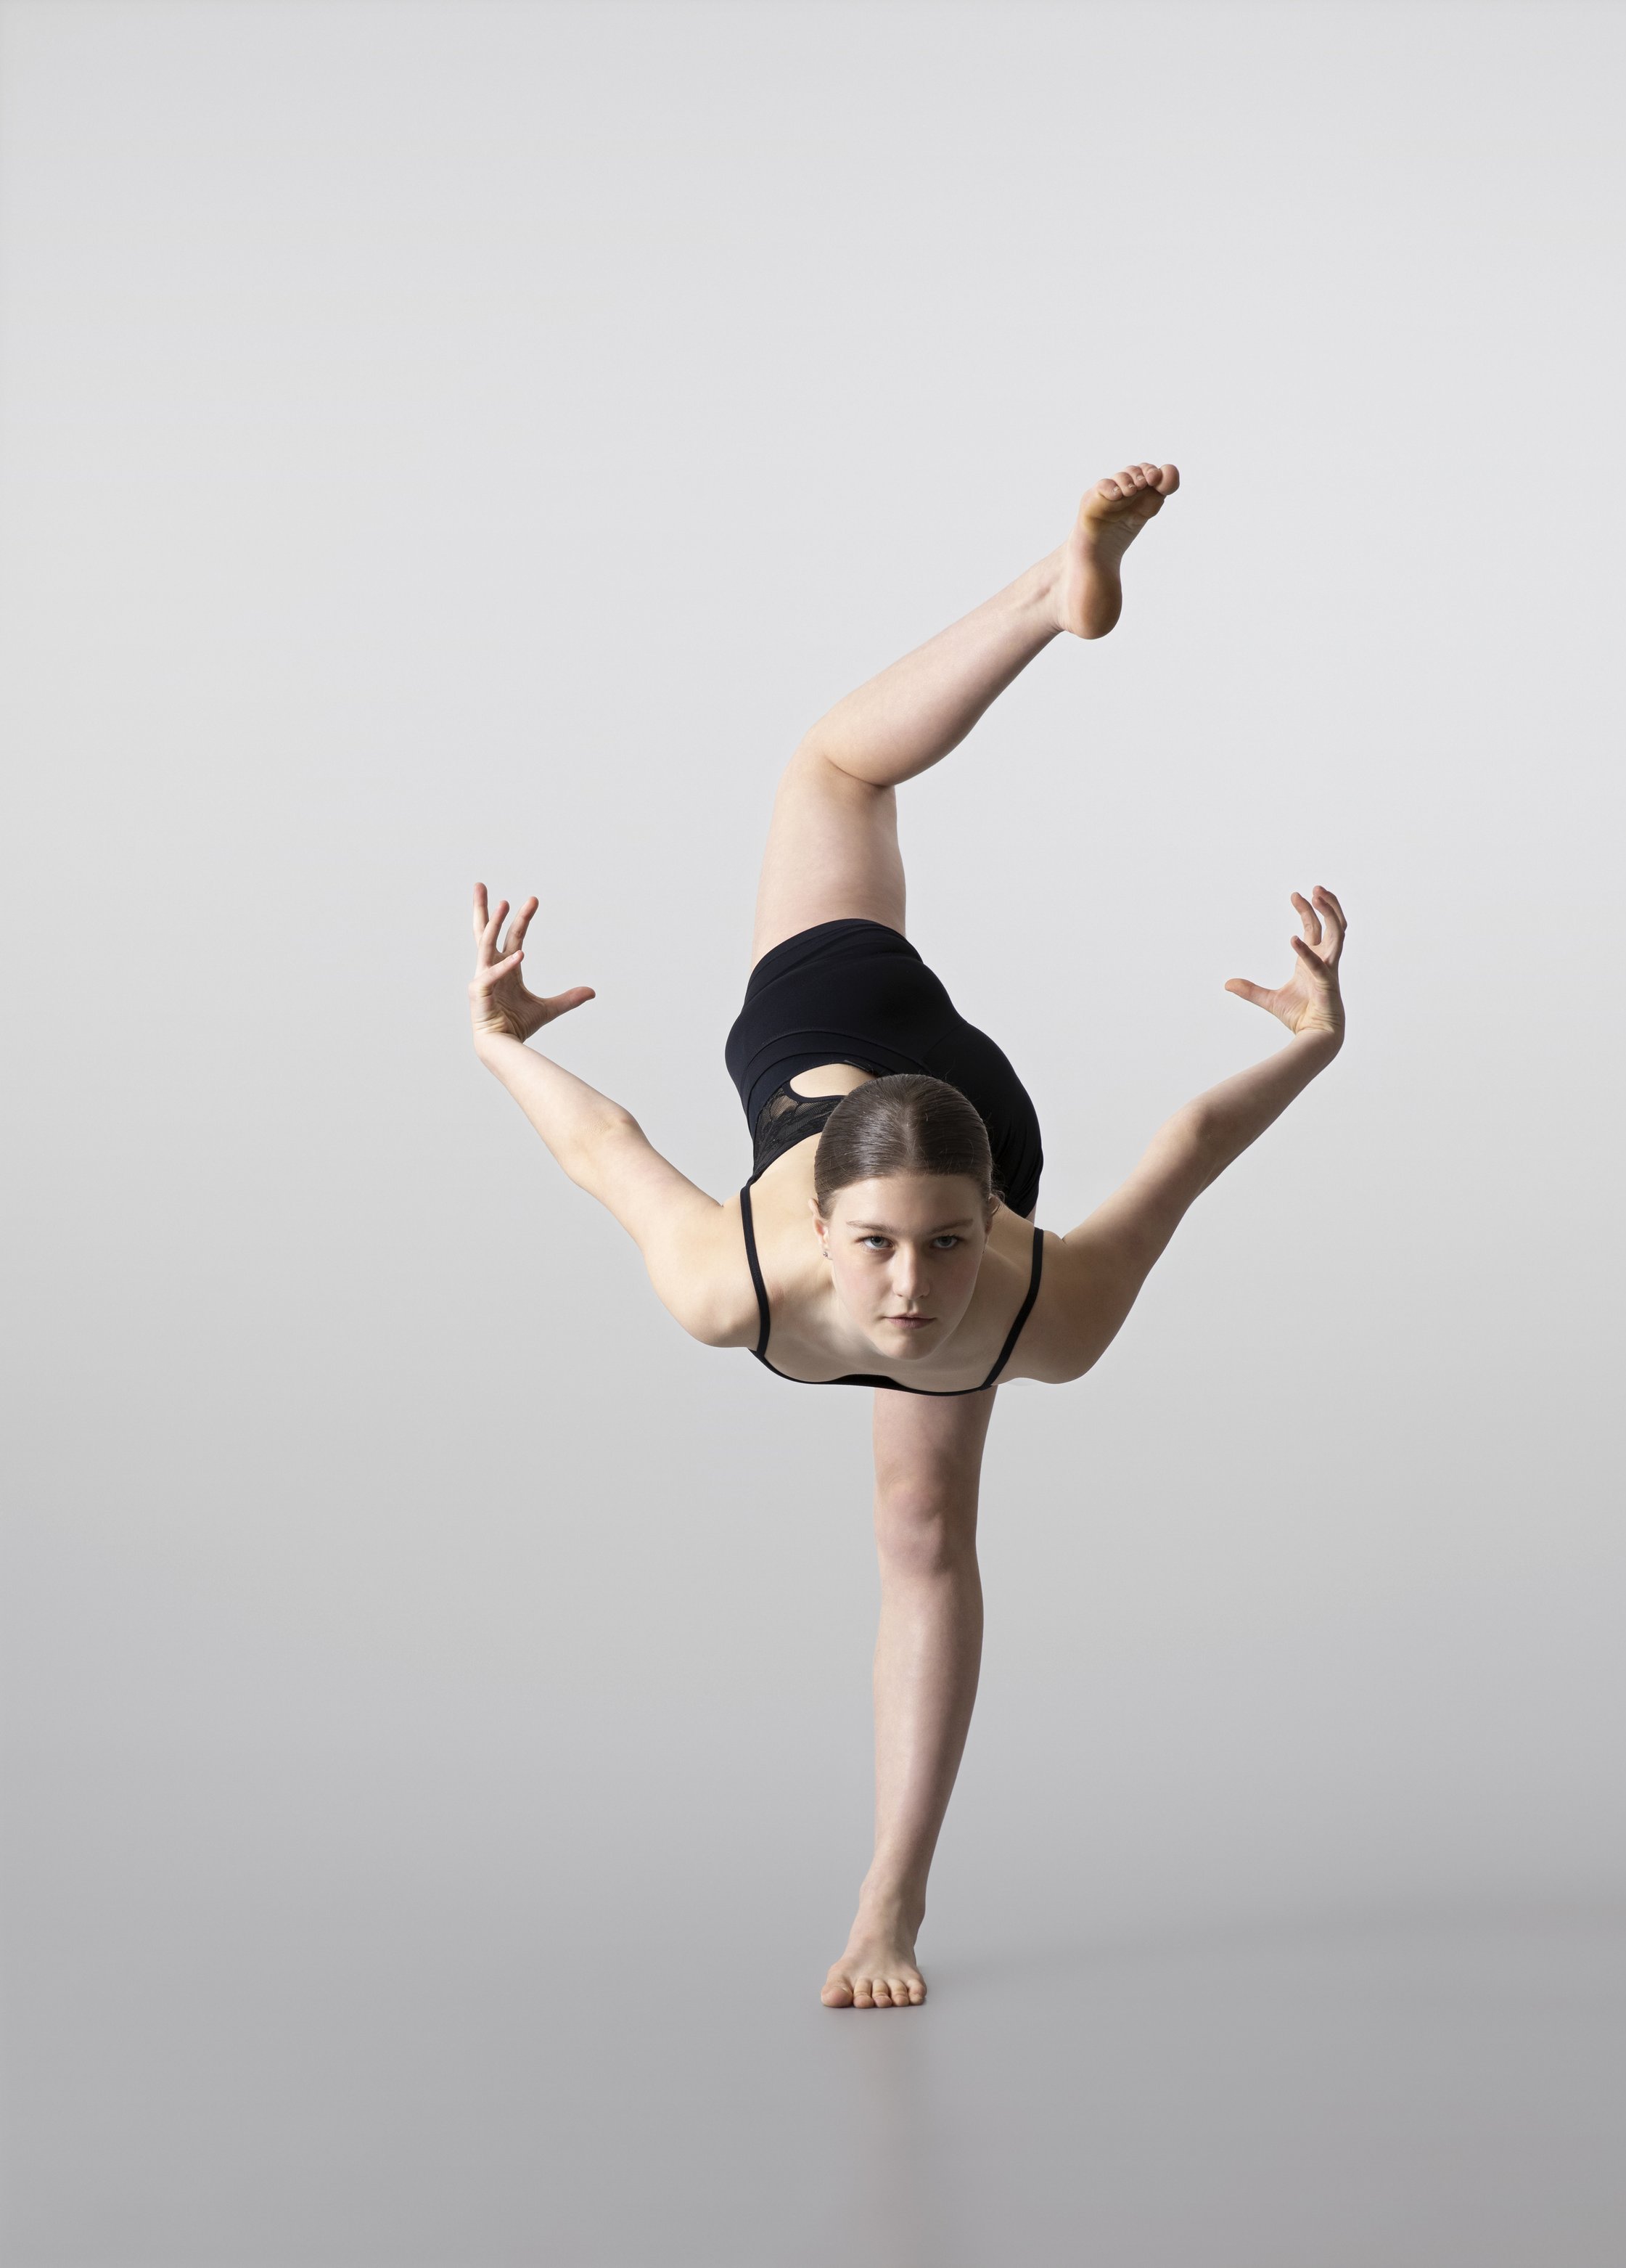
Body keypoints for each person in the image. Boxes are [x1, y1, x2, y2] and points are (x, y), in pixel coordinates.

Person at [467, 462, 1347, 2008]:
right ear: (816, 1222)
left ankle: (889, 1905)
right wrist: (495, 1045)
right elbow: (602, 1145)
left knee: (927, 1530)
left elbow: (1192, 1148)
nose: (911, 1292)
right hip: (832, 1044)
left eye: (947, 1249)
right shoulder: (729, 1276)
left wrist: (1314, 1046)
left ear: (994, 1222)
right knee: (832, 772)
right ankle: (1048, 595)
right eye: (877, 1250)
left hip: (966, 1117)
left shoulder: (1041, 1307)